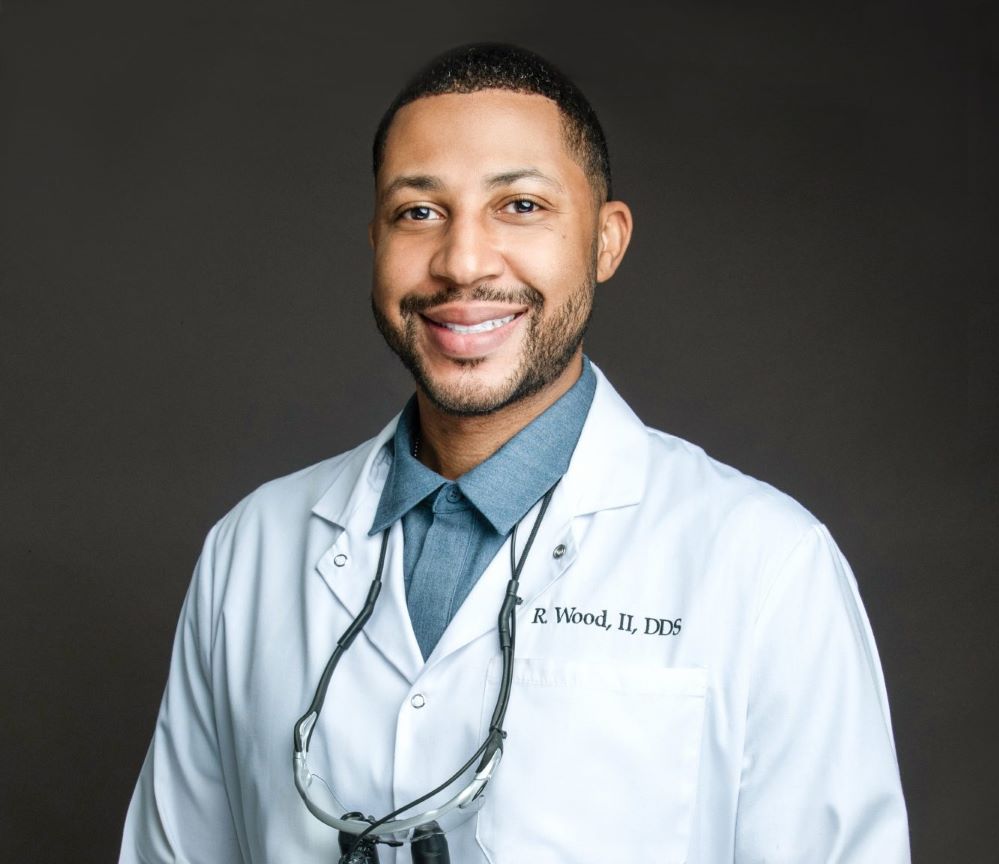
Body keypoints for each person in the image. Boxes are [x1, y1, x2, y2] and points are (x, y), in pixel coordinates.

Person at [119, 43, 911, 864]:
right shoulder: (251, 549)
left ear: (606, 241)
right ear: (375, 239)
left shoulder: (766, 564)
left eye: (521, 206)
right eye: (419, 212)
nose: (462, 261)